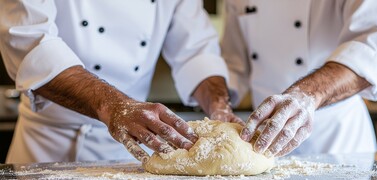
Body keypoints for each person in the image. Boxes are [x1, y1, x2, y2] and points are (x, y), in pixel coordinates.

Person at [0, 1, 242, 164]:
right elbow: (29, 42)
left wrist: (218, 105)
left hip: (131, 148)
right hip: (47, 147)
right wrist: (116, 107)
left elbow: (196, 50)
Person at [222, 1, 377, 157]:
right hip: (262, 141)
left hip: (336, 144)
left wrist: (305, 96)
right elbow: (233, 64)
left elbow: (375, 45)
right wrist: (217, 105)